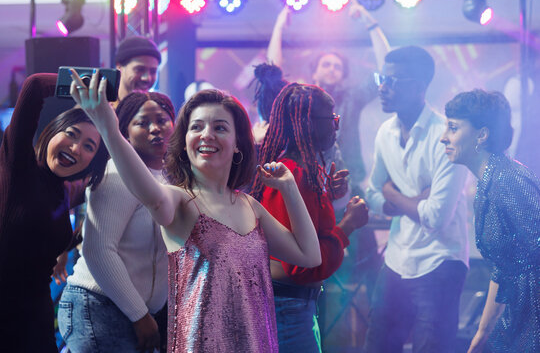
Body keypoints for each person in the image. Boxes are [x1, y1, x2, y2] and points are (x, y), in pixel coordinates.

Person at [70, 69, 322, 352]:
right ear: (185, 140)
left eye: (220, 127)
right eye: (197, 126)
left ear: (238, 142)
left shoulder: (250, 205)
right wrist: (109, 129)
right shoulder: (178, 200)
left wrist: (289, 189)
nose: (206, 135)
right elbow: (151, 199)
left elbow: (309, 256)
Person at [364, 46, 470, 353]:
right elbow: (373, 192)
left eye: (393, 80)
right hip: (397, 259)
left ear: (421, 86)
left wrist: (391, 193)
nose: (383, 87)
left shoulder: (446, 135)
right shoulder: (385, 132)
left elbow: (436, 217)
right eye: (381, 78)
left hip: (441, 261)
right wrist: (408, 200)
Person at [251, 83, 369, 352]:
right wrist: (348, 225)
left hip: (292, 305)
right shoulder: (293, 175)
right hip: (288, 310)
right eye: (332, 119)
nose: (336, 127)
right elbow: (302, 267)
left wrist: (326, 194)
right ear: (308, 125)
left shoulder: (299, 171)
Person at [58, 92, 175, 352]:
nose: (155, 128)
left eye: (162, 119)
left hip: (140, 314)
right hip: (100, 305)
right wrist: (140, 315)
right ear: (124, 132)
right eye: (142, 123)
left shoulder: (171, 178)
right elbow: (98, 251)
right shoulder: (115, 173)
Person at [0, 73, 108, 352]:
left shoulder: (65, 191)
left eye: (89, 146)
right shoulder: (18, 167)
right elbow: (34, 85)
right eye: (71, 134)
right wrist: (93, 82)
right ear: (52, 131)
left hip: (35, 317)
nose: (75, 147)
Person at [440, 89, 540, 353]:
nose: (443, 138)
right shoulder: (488, 181)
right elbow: (504, 266)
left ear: (482, 135)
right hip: (520, 318)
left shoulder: (508, 180)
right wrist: (483, 332)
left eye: (453, 128)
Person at [267, 0, 390, 194]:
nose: (332, 69)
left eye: (337, 67)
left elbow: (386, 71)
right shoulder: (299, 100)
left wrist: (371, 23)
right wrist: (279, 27)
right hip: (305, 185)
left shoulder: (352, 98)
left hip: (347, 184)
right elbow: (271, 75)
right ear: (314, 72)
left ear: (342, 75)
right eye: (326, 65)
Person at [114, 35, 162, 106]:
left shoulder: (157, 109)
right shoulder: (102, 108)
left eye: (153, 71)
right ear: (119, 68)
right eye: (139, 69)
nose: (147, 78)